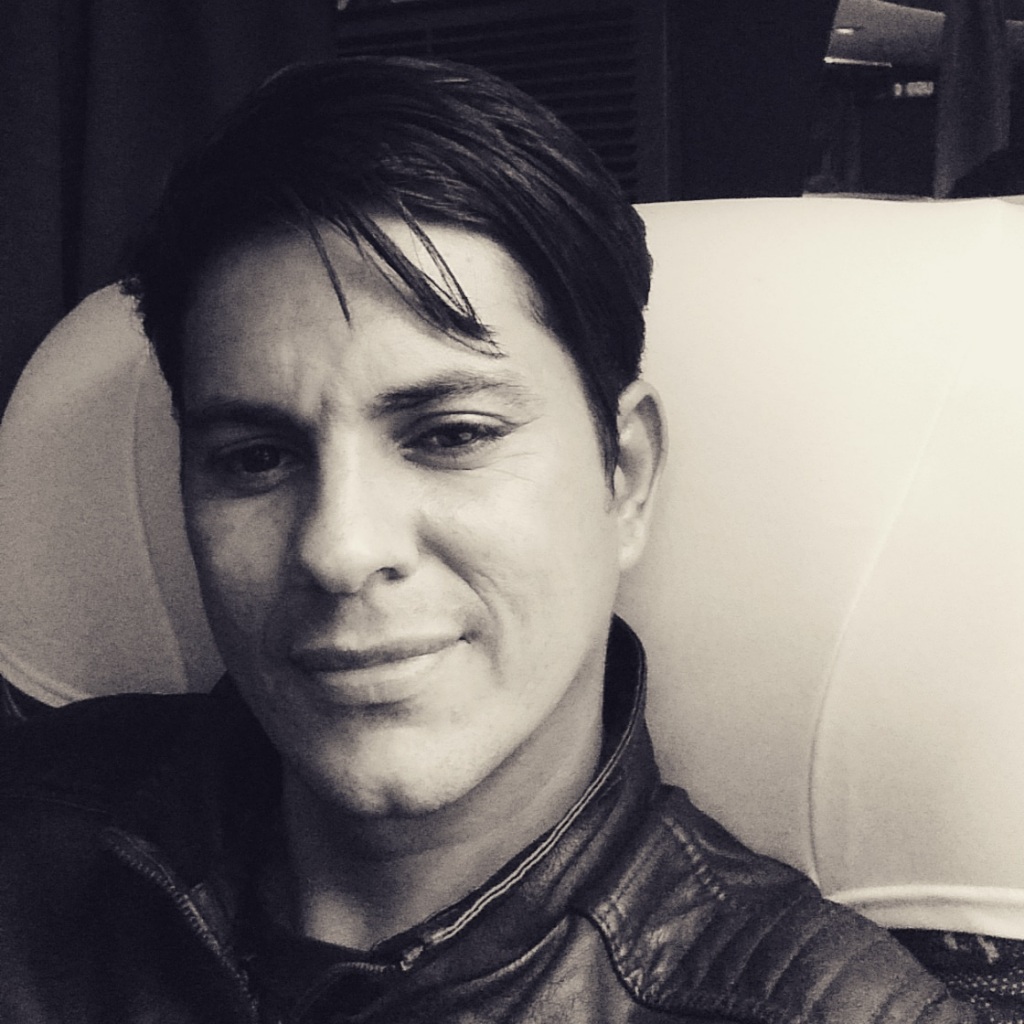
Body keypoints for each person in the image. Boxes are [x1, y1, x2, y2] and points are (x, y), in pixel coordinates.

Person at [0, 56, 973, 1023]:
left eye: (451, 435)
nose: (339, 549)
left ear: (624, 475)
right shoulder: (32, 825)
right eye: (256, 458)